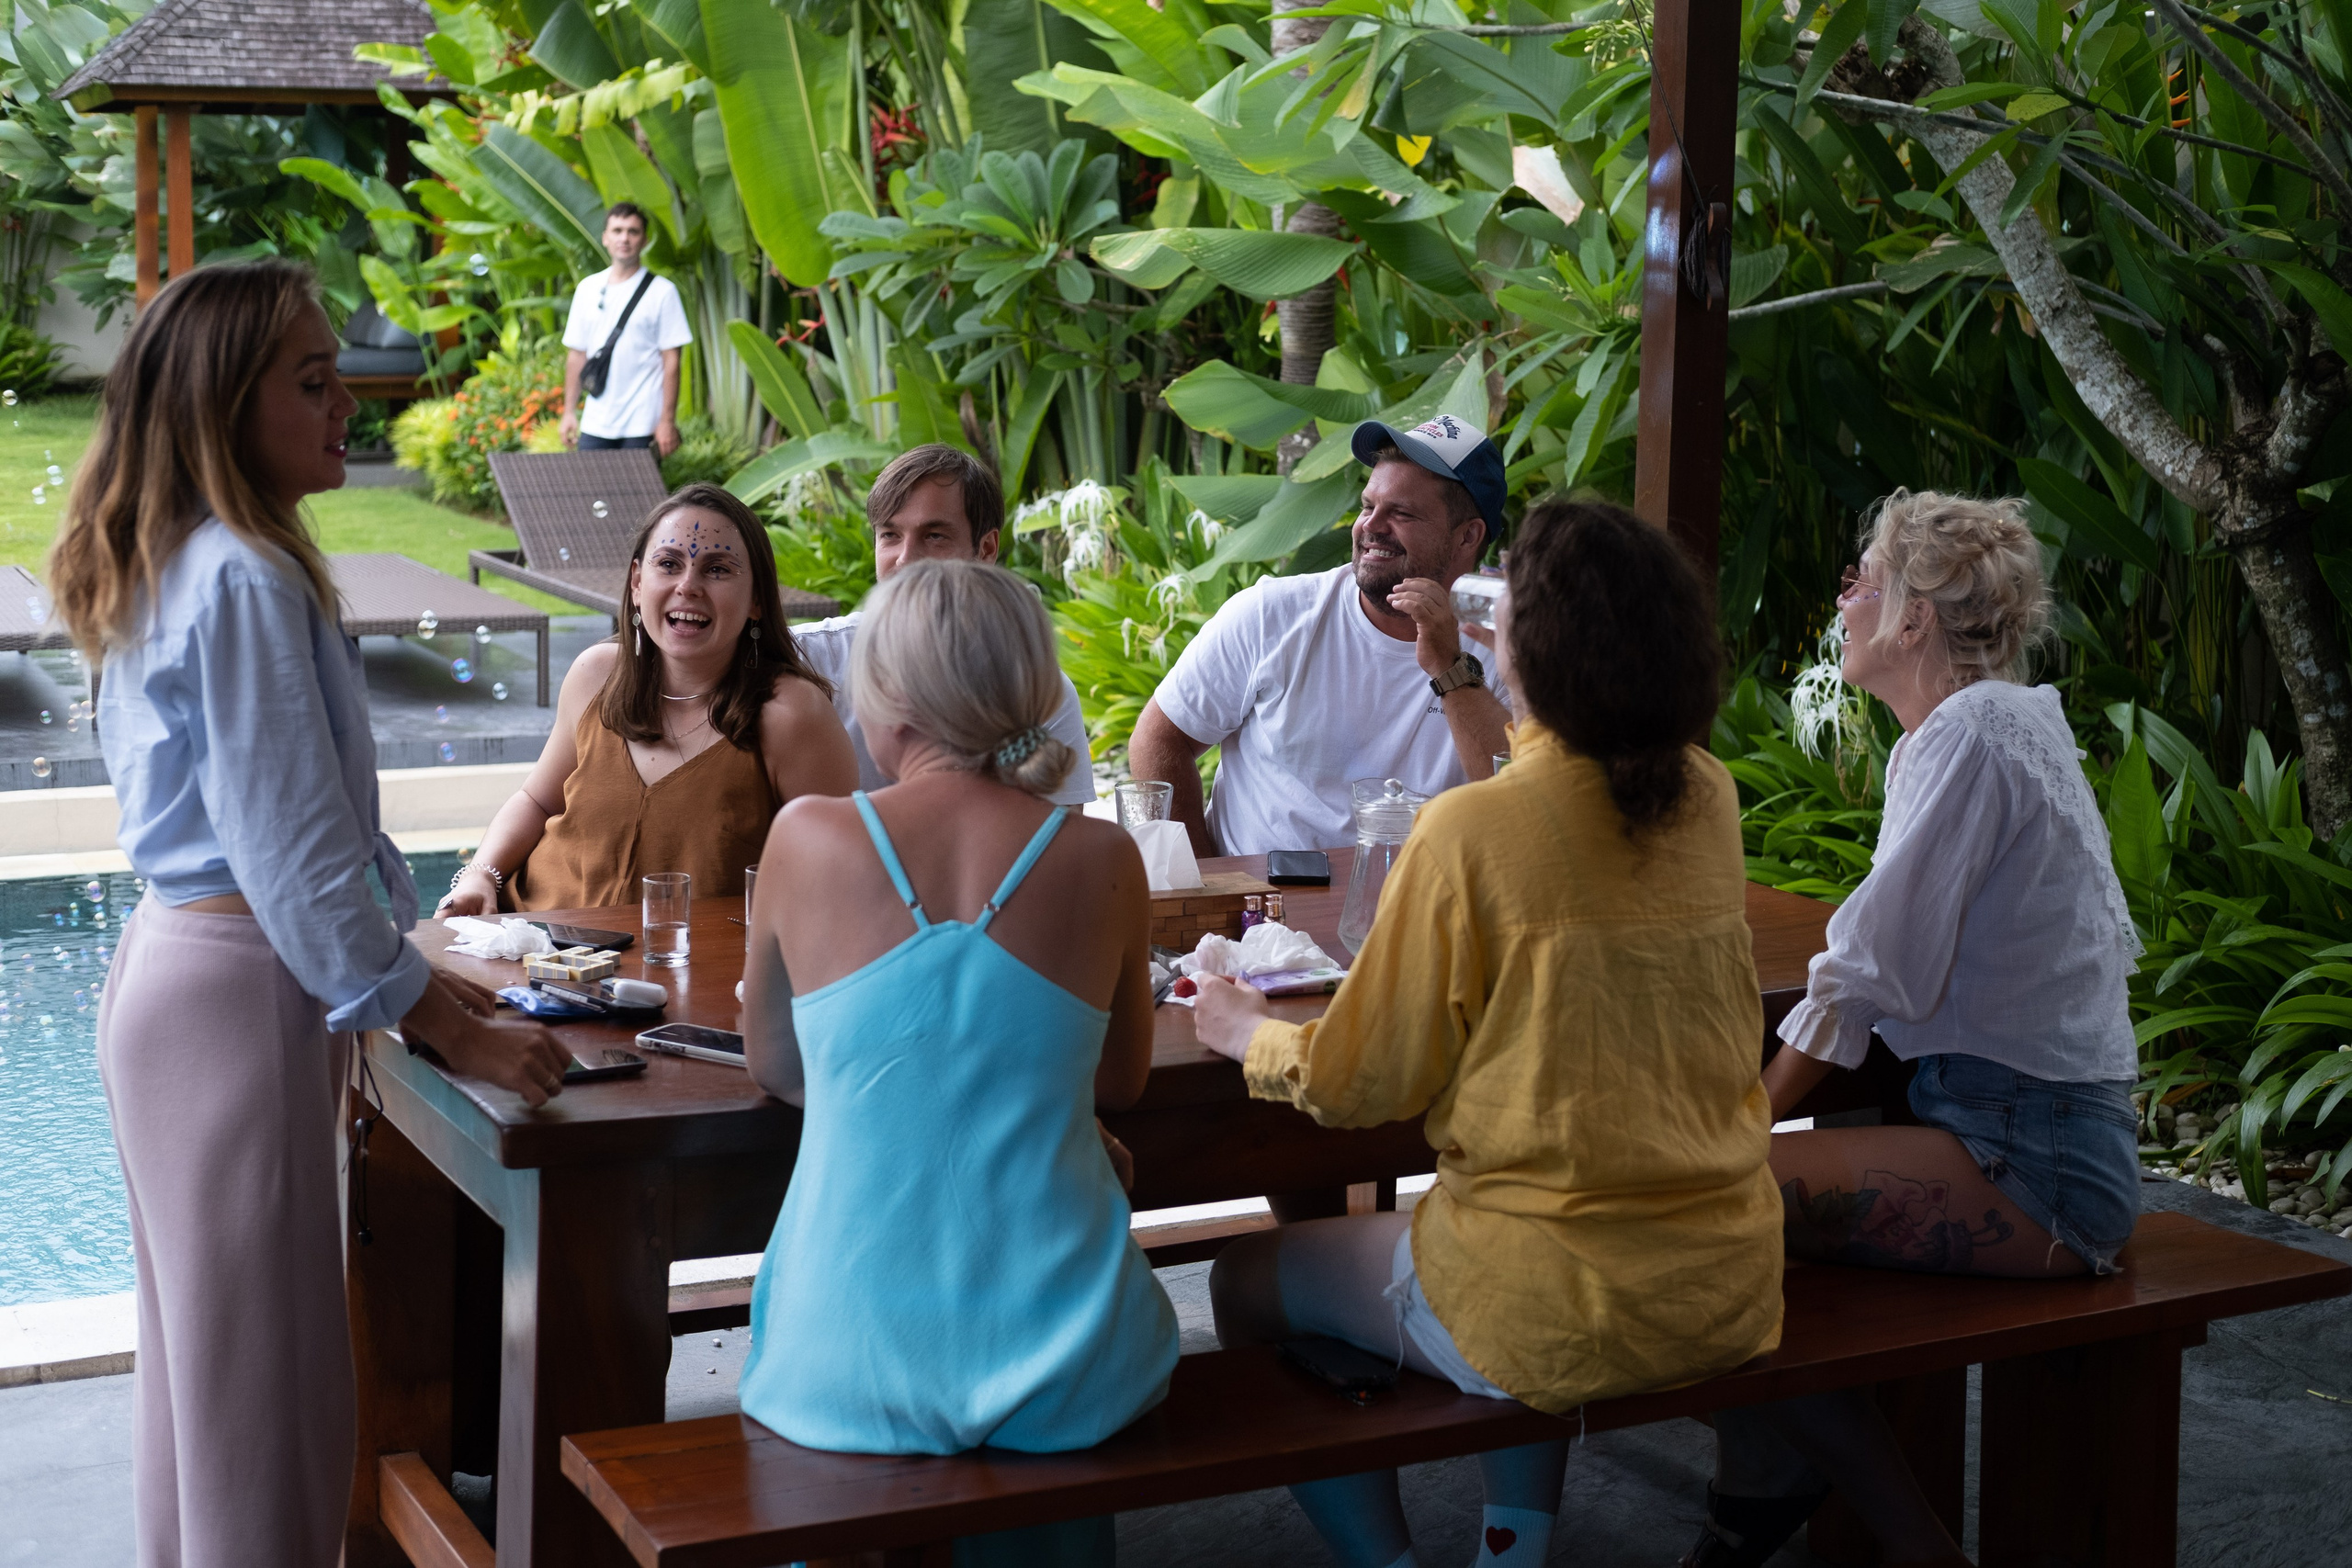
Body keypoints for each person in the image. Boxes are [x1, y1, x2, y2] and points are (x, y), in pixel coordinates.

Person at [45, 260, 571, 1568]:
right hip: (232, 989)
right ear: (231, 400)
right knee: (262, 1402)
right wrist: (458, 1027)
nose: (351, 403)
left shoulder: (184, 557)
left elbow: (305, 847)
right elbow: (297, 866)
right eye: (314, 379)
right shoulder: (242, 580)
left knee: (210, 1387)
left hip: (186, 975)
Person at [1188, 500, 1785, 1568]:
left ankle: (1391, 1561)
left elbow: (1360, 1085)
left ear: (1530, 644)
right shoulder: (1704, 793)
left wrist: (1241, 1032)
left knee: (1246, 1281)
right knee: (1499, 1243)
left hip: (1549, 1298)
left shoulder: (1469, 829)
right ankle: (1511, 1552)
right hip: (1721, 1278)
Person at [1682, 491, 2137, 1568]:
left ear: (1914, 621)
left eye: (1860, 580)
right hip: (2025, 1134)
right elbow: (1893, 961)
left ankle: (1896, 1535)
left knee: (1697, 1219)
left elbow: (1867, 971)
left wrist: (1739, 1123)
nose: (1842, 601)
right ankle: (1775, 1482)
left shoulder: (1972, 733)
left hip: (2035, 1164)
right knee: (1724, 1225)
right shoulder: (1993, 722)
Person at [737, 558, 1177, 1564]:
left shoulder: (807, 838)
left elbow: (777, 1068)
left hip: (840, 1356)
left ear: (885, 700)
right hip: (1068, 1356)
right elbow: (1118, 1085)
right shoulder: (1103, 856)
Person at [438, 483, 856, 916]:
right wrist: (480, 875)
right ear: (638, 583)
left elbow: (838, 880)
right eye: (669, 564)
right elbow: (538, 801)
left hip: (684, 971)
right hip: (530, 943)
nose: (688, 586)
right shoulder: (596, 675)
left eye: (717, 569)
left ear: (755, 599)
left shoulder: (792, 716)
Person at [1129, 415, 1514, 858]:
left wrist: (1450, 670)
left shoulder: (1504, 647)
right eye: (1369, 506)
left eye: (1401, 513)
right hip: (1257, 912)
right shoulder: (1272, 613)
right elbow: (1158, 739)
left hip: (1416, 910)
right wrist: (1207, 882)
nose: (1370, 526)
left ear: (1468, 537)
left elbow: (1517, 801)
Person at [792, 443, 1098, 806]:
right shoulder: (809, 662)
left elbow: (1062, 849)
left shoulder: (1035, 694)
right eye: (890, 535)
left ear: (986, 549)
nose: (905, 560)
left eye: (934, 536)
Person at [559, 201, 693, 457]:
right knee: (590, 495)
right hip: (596, 422)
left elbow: (671, 361)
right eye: (617, 231)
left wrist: (667, 421)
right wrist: (568, 412)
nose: (625, 238)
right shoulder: (587, 289)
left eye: (633, 231)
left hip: (642, 423)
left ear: (644, 240)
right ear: (605, 238)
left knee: (641, 497)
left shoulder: (663, 292)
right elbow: (577, 354)